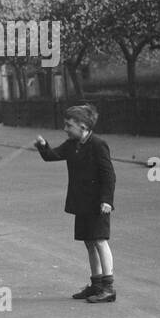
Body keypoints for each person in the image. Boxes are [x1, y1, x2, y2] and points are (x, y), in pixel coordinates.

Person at [34, 103, 117, 303]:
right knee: (89, 242)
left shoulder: (98, 144)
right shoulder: (72, 145)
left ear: (83, 125)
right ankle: (96, 284)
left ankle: (109, 287)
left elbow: (109, 175)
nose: (65, 129)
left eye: (69, 125)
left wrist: (107, 200)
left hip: (97, 203)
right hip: (81, 202)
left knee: (100, 240)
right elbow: (52, 156)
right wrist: (43, 145)